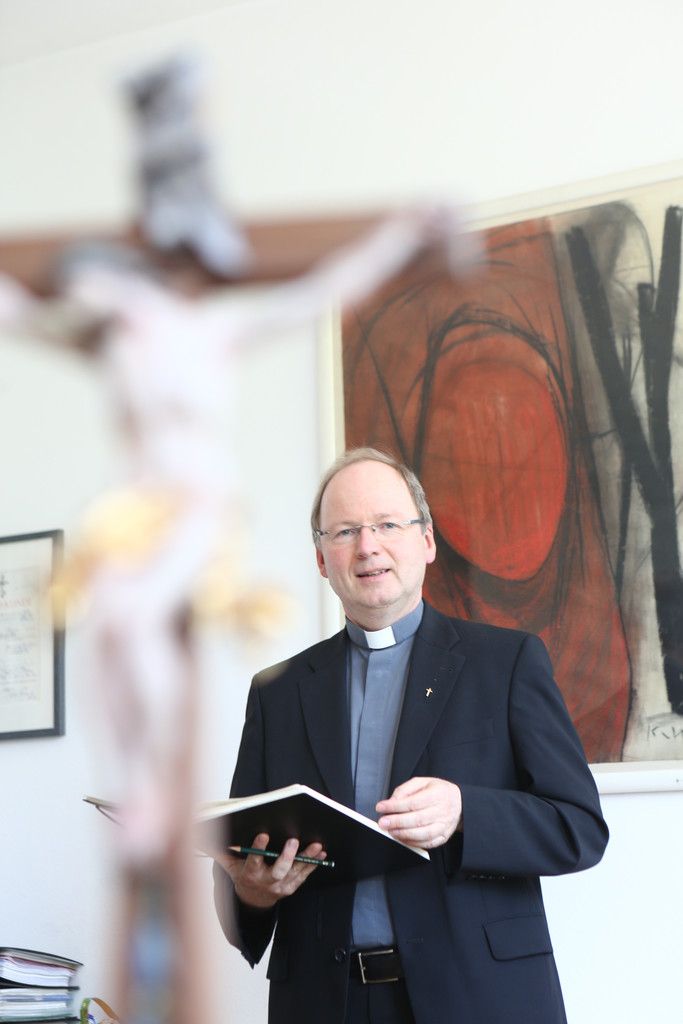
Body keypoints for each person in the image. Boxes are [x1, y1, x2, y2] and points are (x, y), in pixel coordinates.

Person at [213, 447, 608, 1024]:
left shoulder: (507, 663)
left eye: (387, 524)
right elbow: (237, 860)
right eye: (345, 531)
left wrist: (465, 810)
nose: (367, 546)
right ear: (322, 559)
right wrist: (252, 890)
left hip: (480, 998)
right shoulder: (277, 691)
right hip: (326, 1004)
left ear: (426, 540)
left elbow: (580, 828)